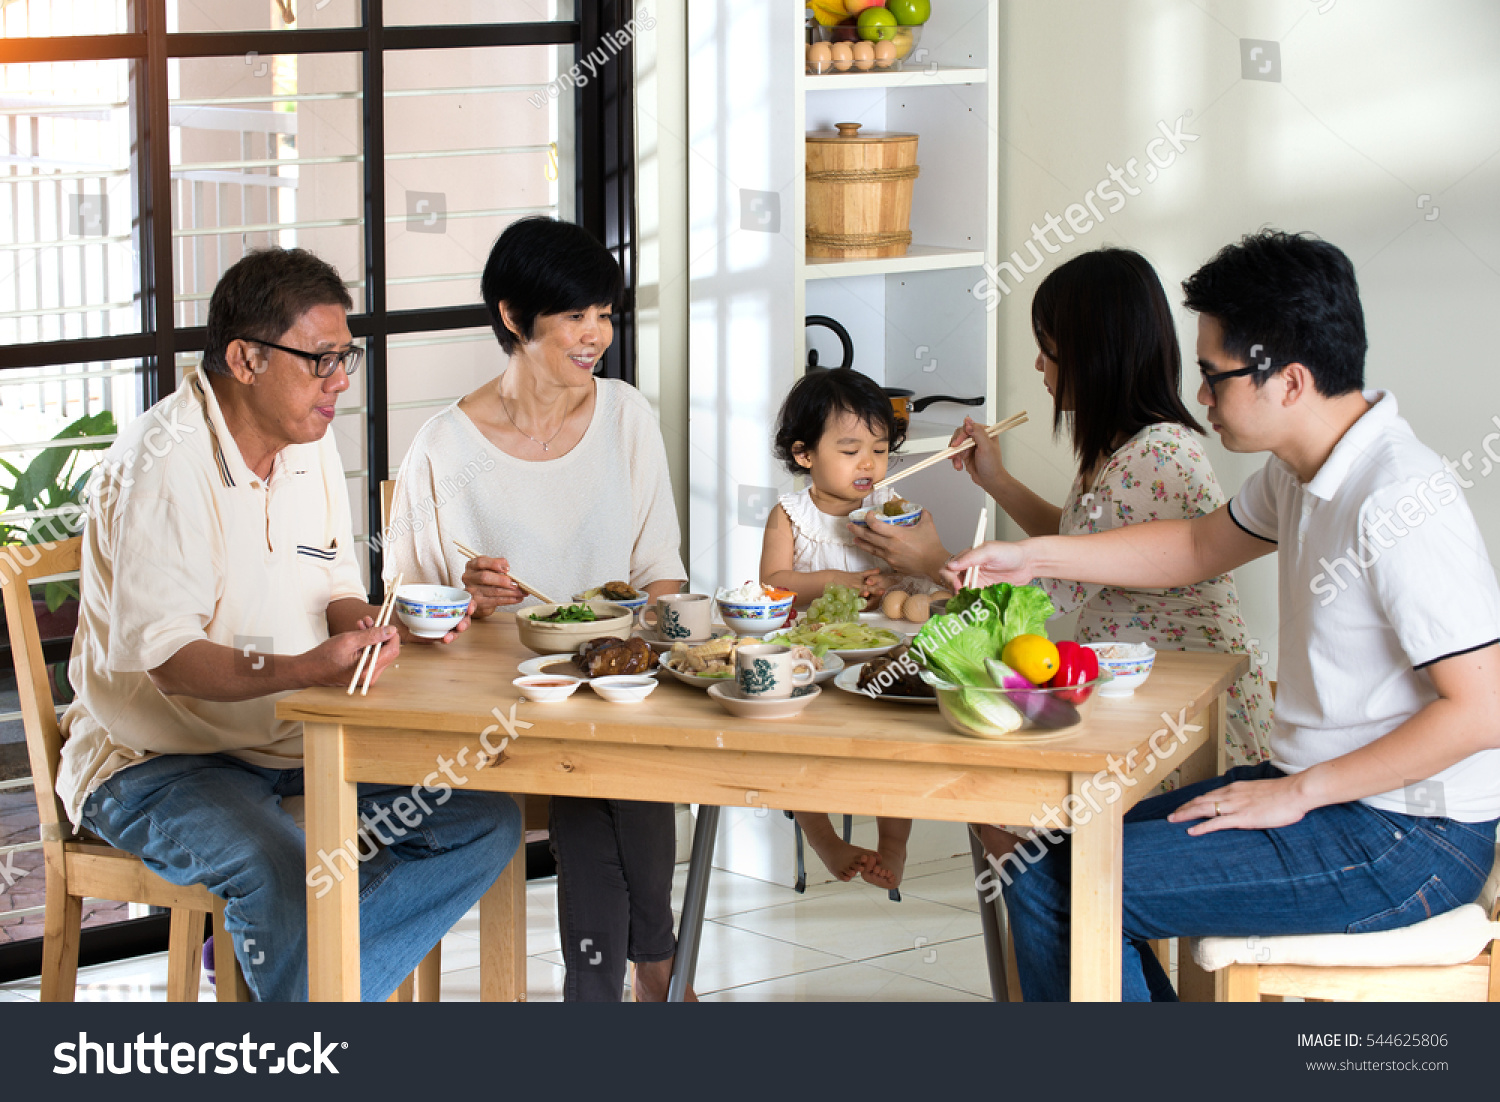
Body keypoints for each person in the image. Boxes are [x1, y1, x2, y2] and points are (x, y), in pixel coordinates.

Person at [945, 230, 1500, 1001]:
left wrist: (1300, 792)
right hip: (1333, 801)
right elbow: (1196, 547)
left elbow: (1483, 710)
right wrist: (1035, 556)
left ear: (1291, 380)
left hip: (1406, 838)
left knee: (1064, 881)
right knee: (1044, 859)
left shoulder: (1398, 498)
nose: (1201, 396)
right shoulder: (1297, 472)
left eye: (1214, 375)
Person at [56, 248, 521, 1002]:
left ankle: (284, 982)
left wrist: (368, 623)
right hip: (156, 763)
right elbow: (170, 659)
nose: (340, 381)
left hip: (292, 741)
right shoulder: (161, 464)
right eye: (322, 360)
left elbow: (333, 580)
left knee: (481, 819)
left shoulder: (306, 442)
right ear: (244, 359)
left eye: (347, 358)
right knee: (280, 871)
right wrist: (310, 669)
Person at [383, 216, 690, 1001]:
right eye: (574, 317)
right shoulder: (444, 449)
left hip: (610, 686)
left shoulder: (627, 417)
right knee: (596, 766)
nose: (596, 336)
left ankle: (602, 999)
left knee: (609, 760)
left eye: (605, 315)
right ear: (514, 318)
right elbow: (406, 612)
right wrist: (465, 595)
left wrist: (651, 634)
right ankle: (659, 974)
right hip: (496, 707)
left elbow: (660, 573)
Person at [760, 367, 934, 889]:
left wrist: (897, 580)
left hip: (881, 654)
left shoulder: (890, 511)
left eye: (880, 450)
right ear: (804, 454)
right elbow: (773, 581)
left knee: (894, 748)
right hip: (813, 653)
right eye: (851, 449)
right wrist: (833, 579)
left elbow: (917, 575)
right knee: (797, 746)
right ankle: (822, 836)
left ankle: (895, 845)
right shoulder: (791, 513)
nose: (869, 464)